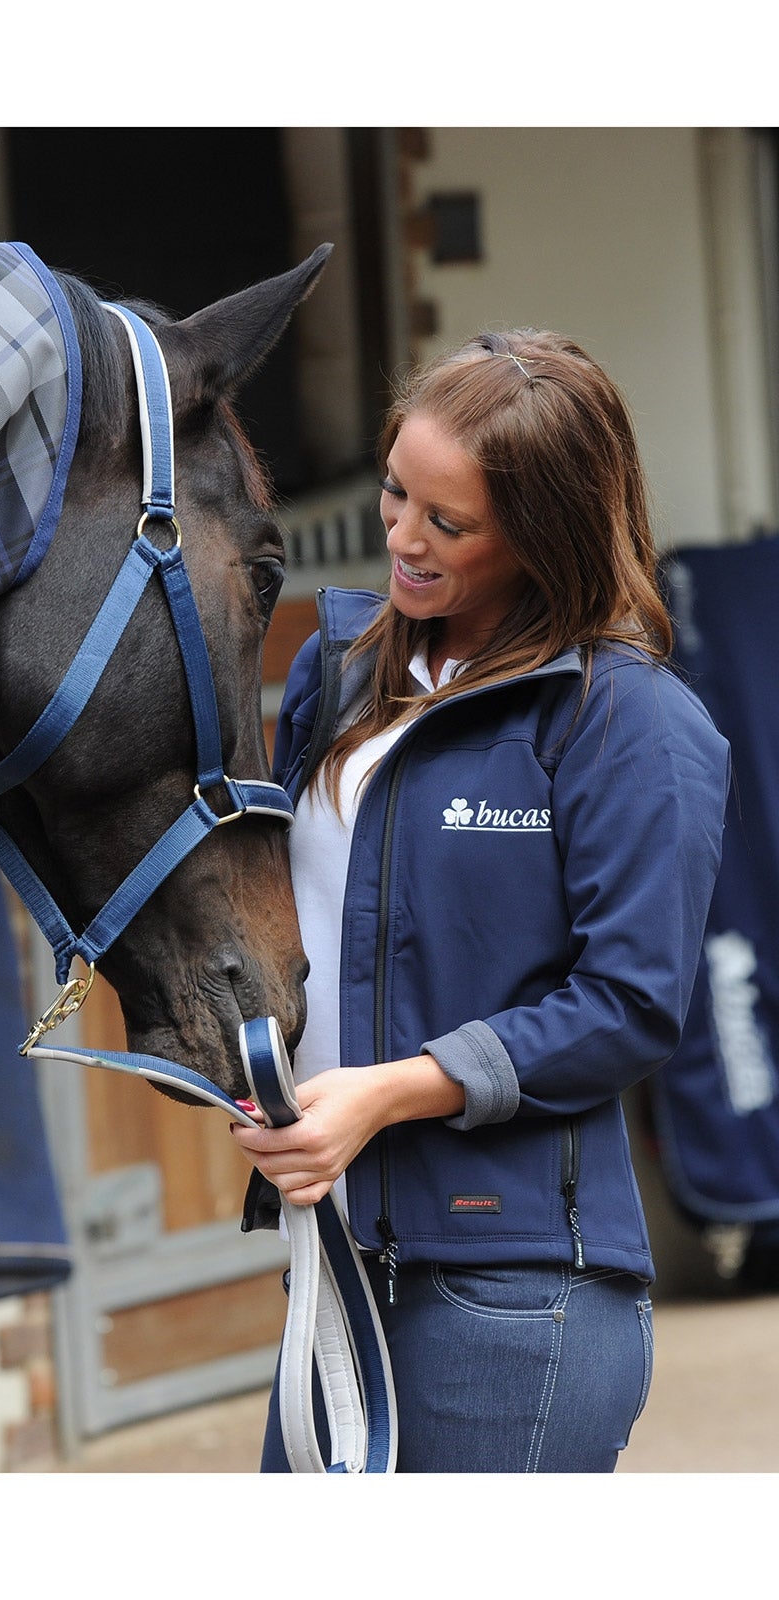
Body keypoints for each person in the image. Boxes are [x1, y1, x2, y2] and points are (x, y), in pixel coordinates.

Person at [231, 328, 731, 1472]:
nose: (401, 537)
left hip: (517, 1293)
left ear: (545, 532)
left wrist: (384, 1094)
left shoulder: (629, 722)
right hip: (336, 1265)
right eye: (394, 491)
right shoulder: (339, 673)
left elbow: (627, 1004)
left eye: (447, 523)